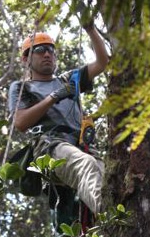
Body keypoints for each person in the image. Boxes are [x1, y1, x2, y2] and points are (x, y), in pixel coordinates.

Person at [8, 22, 109, 216]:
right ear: (25, 59)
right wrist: (54, 96)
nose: (47, 54)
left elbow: (102, 62)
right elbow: (20, 123)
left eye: (51, 50)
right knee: (86, 165)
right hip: (50, 147)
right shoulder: (23, 87)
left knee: (108, 181)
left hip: (81, 146)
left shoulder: (69, 79)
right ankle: (110, 219)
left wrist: (90, 29)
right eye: (39, 50)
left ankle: (103, 234)